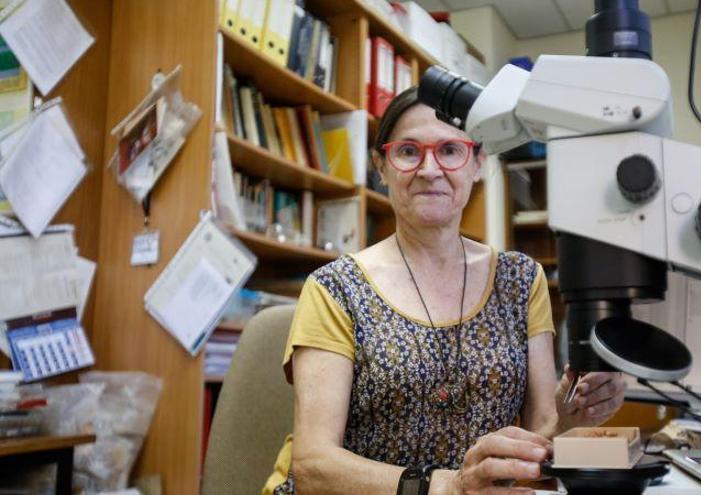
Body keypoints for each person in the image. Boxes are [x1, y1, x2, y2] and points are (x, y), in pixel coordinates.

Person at [263, 87, 627, 495]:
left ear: (476, 164)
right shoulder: (335, 289)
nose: (430, 169)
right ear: (381, 167)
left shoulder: (521, 280)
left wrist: (570, 417)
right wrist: (446, 487)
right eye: (408, 151)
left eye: (450, 150)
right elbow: (314, 466)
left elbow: (538, 434)